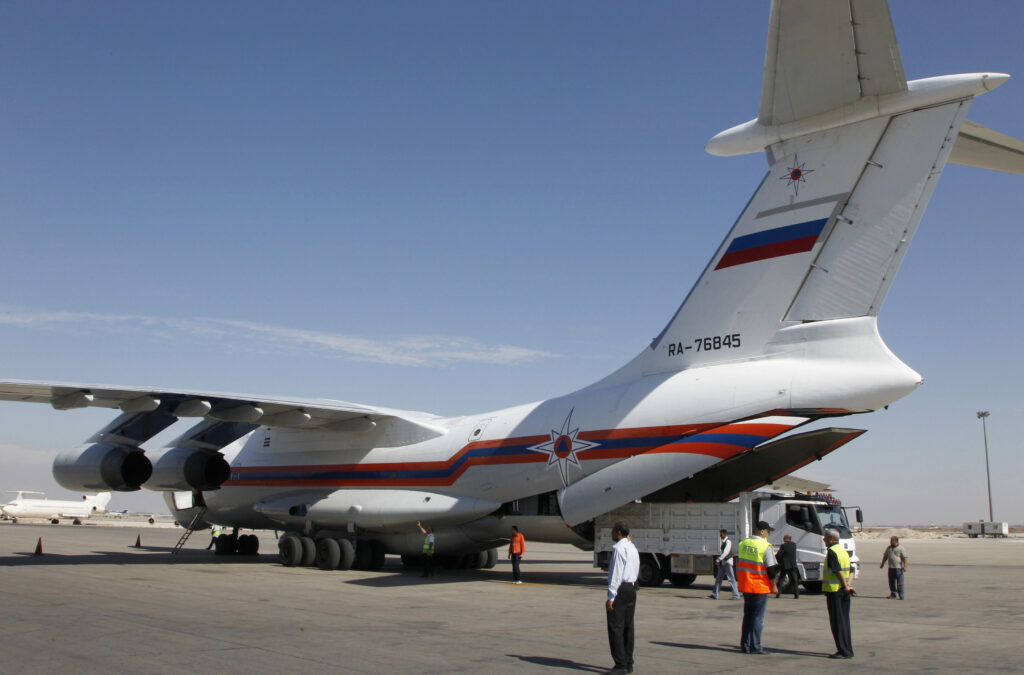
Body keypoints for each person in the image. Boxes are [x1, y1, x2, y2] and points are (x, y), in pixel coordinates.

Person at [736, 520, 778, 654]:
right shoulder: (765, 546)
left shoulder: (743, 543)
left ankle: (745, 645)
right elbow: (771, 569)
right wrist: (775, 586)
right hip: (760, 586)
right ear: (762, 532)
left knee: (748, 616)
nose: (768, 534)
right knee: (758, 617)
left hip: (746, 585)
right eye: (767, 531)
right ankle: (756, 646)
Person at [604, 521, 640, 674]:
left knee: (615, 627)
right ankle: (628, 662)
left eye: (613, 531)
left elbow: (616, 573)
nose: (611, 534)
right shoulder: (632, 547)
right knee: (628, 626)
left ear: (619, 532)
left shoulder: (619, 548)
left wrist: (611, 596)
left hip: (621, 589)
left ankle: (620, 665)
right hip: (632, 588)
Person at [823, 527, 856, 659]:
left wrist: (844, 585)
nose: (824, 539)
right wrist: (848, 585)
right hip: (844, 591)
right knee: (844, 622)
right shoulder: (843, 552)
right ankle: (847, 649)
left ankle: (843, 651)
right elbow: (852, 570)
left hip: (835, 591)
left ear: (832, 539)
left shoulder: (832, 552)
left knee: (837, 622)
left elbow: (838, 571)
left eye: (825, 537)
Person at [709, 528, 740, 599]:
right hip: (724, 563)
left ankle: (736, 595)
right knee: (719, 578)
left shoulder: (728, 542)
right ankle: (715, 594)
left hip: (727, 562)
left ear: (724, 534)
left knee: (731, 579)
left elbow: (726, 552)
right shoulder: (725, 541)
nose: (720, 535)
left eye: (721, 534)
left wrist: (718, 559)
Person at [880, 535, 908, 599]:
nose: (890, 542)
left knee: (900, 583)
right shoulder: (889, 548)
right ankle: (893, 594)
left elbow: (905, 558)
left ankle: (901, 595)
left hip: (898, 568)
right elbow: (885, 556)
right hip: (891, 568)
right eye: (890, 540)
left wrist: (905, 566)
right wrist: (882, 564)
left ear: (896, 541)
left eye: (891, 541)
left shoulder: (901, 548)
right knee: (891, 582)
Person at [776, 533, 800, 598]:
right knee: (794, 580)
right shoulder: (794, 545)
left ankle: (778, 594)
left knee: (781, 579)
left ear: (787, 538)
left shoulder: (783, 545)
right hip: (792, 565)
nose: (783, 539)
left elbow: (779, 555)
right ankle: (796, 594)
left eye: (784, 538)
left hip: (785, 565)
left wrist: (779, 561)